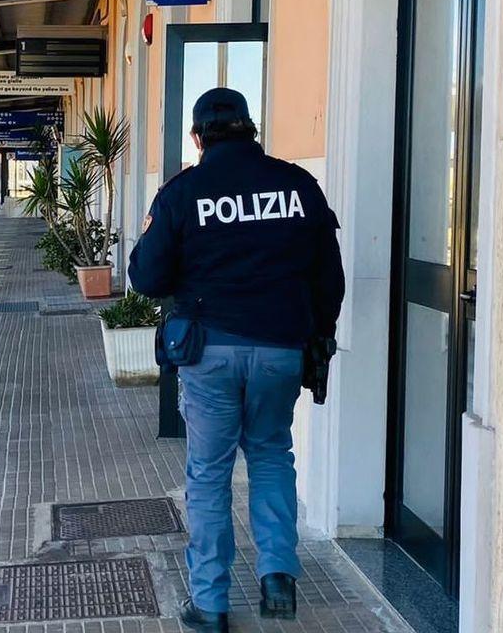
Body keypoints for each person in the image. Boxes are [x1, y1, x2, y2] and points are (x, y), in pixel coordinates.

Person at [128, 87, 345, 632]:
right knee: (272, 454)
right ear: (252, 129)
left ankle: (210, 604)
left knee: (210, 472)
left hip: (209, 352)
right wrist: (318, 335)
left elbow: (147, 278)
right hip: (280, 350)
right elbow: (329, 280)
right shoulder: (297, 185)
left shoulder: (183, 193)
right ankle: (277, 574)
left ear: (198, 138)